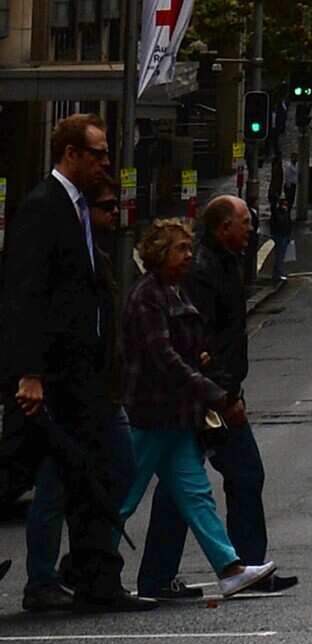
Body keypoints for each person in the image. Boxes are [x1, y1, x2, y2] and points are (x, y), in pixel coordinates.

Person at [1, 114, 155, 613]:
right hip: (52, 378)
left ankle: (96, 579)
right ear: (71, 154)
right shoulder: (43, 208)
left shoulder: (78, 211)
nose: (106, 162)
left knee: (105, 468)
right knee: (30, 475)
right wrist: (30, 373)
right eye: (98, 153)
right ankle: (56, 581)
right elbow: (26, 294)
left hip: (84, 377)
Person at [136, 195, 298, 600]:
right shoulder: (200, 274)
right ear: (224, 226)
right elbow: (192, 344)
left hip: (209, 392)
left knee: (182, 487)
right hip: (205, 396)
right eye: (245, 222)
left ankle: (167, 575)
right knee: (238, 474)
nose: (252, 228)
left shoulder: (222, 264)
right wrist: (221, 393)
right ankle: (240, 566)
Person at [21, 177, 134, 612]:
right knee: (54, 483)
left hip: (99, 387)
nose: (114, 216)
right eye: (106, 208)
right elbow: (32, 304)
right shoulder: (63, 245)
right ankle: (44, 578)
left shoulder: (99, 257)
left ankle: (90, 563)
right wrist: (34, 374)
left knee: (118, 470)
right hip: (67, 386)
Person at [270, 197, 293, 282]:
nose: (285, 206)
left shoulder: (285, 212)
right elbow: (281, 222)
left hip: (284, 235)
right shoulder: (279, 213)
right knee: (279, 256)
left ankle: (279, 272)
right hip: (280, 236)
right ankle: (278, 274)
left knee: (281, 256)